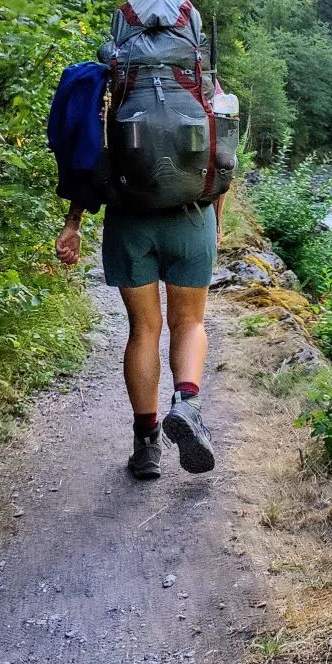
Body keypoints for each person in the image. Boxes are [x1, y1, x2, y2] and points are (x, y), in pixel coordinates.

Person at [55, 197, 220, 479]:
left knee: (143, 328)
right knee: (189, 322)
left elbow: (84, 159)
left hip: (129, 221)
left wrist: (73, 222)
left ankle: (146, 445)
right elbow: (221, 163)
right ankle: (187, 402)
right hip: (192, 219)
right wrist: (215, 221)